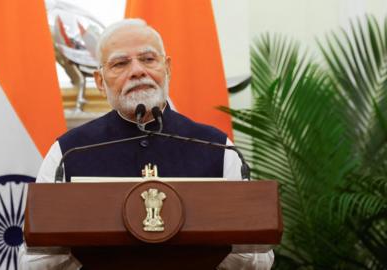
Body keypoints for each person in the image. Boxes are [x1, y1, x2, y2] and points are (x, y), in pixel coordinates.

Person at [19, 18, 274, 270]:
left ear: (168, 68)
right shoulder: (68, 152)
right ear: (99, 81)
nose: (137, 71)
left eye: (148, 59)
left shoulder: (218, 148)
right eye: (120, 63)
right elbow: (31, 261)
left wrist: (213, 244)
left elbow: (260, 259)